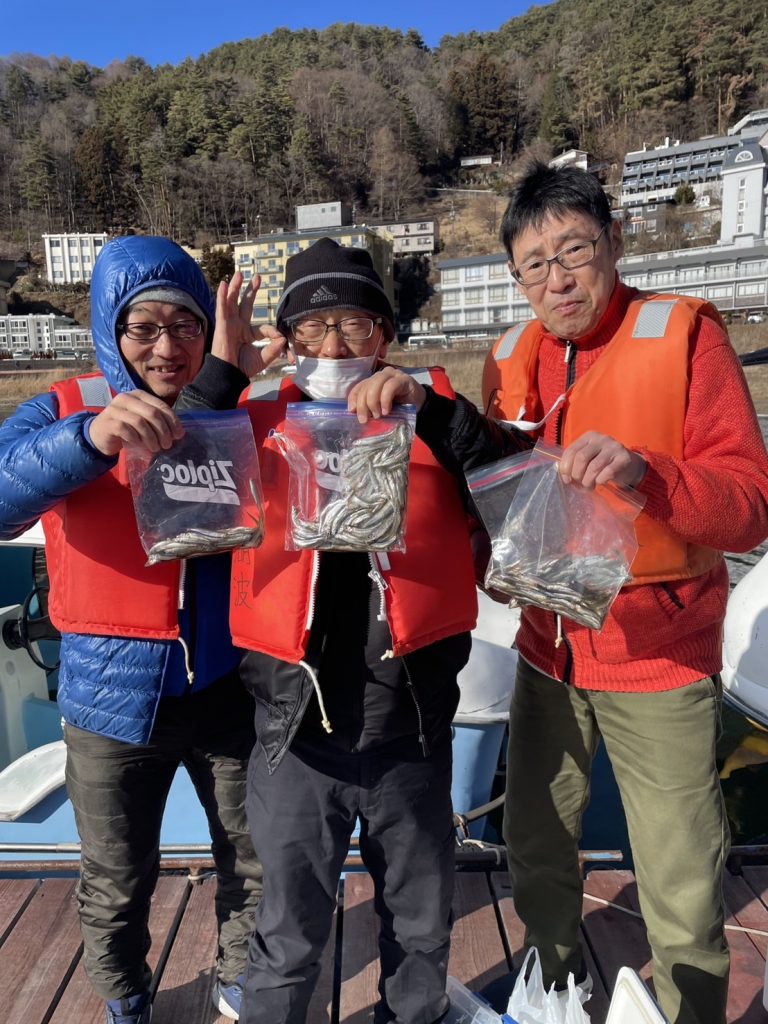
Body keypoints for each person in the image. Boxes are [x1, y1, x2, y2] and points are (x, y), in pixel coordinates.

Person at [349, 162, 768, 1024]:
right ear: (515, 276)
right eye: (534, 265)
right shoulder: (511, 354)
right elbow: (494, 481)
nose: (558, 279)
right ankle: (553, 989)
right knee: (535, 843)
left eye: (574, 251)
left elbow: (749, 506)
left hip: (659, 657)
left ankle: (688, 1012)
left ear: (613, 241)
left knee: (682, 878)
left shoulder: (686, 337)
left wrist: (644, 471)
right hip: (547, 649)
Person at [205, 236, 516, 1024]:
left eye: (355, 324)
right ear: (288, 341)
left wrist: (430, 409)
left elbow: (513, 475)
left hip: (409, 730)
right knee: (286, 935)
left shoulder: (434, 412)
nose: (335, 345)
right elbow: (168, 466)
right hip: (295, 738)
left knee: (420, 926)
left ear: (387, 335)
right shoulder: (248, 422)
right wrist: (222, 371)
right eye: (312, 328)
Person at [0, 235, 283, 1024]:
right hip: (108, 701)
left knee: (252, 859)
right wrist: (90, 440)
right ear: (110, 328)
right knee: (117, 876)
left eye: (186, 326)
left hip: (226, 687)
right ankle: (125, 1002)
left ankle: (237, 986)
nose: (166, 347)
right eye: (145, 327)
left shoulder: (234, 407)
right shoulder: (61, 409)